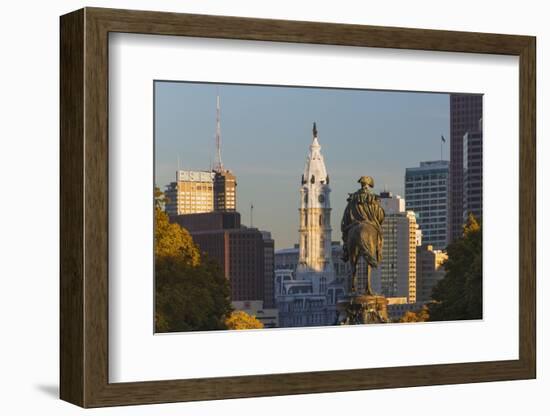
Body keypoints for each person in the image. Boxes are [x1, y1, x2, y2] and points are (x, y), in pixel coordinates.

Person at [340, 176, 384, 263]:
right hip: (371, 223)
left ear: (361, 184)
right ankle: (378, 252)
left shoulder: (353, 198)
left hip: (354, 223)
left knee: (345, 235)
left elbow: (346, 214)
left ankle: (345, 251)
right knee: (380, 235)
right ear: (369, 185)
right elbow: (380, 215)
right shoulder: (374, 199)